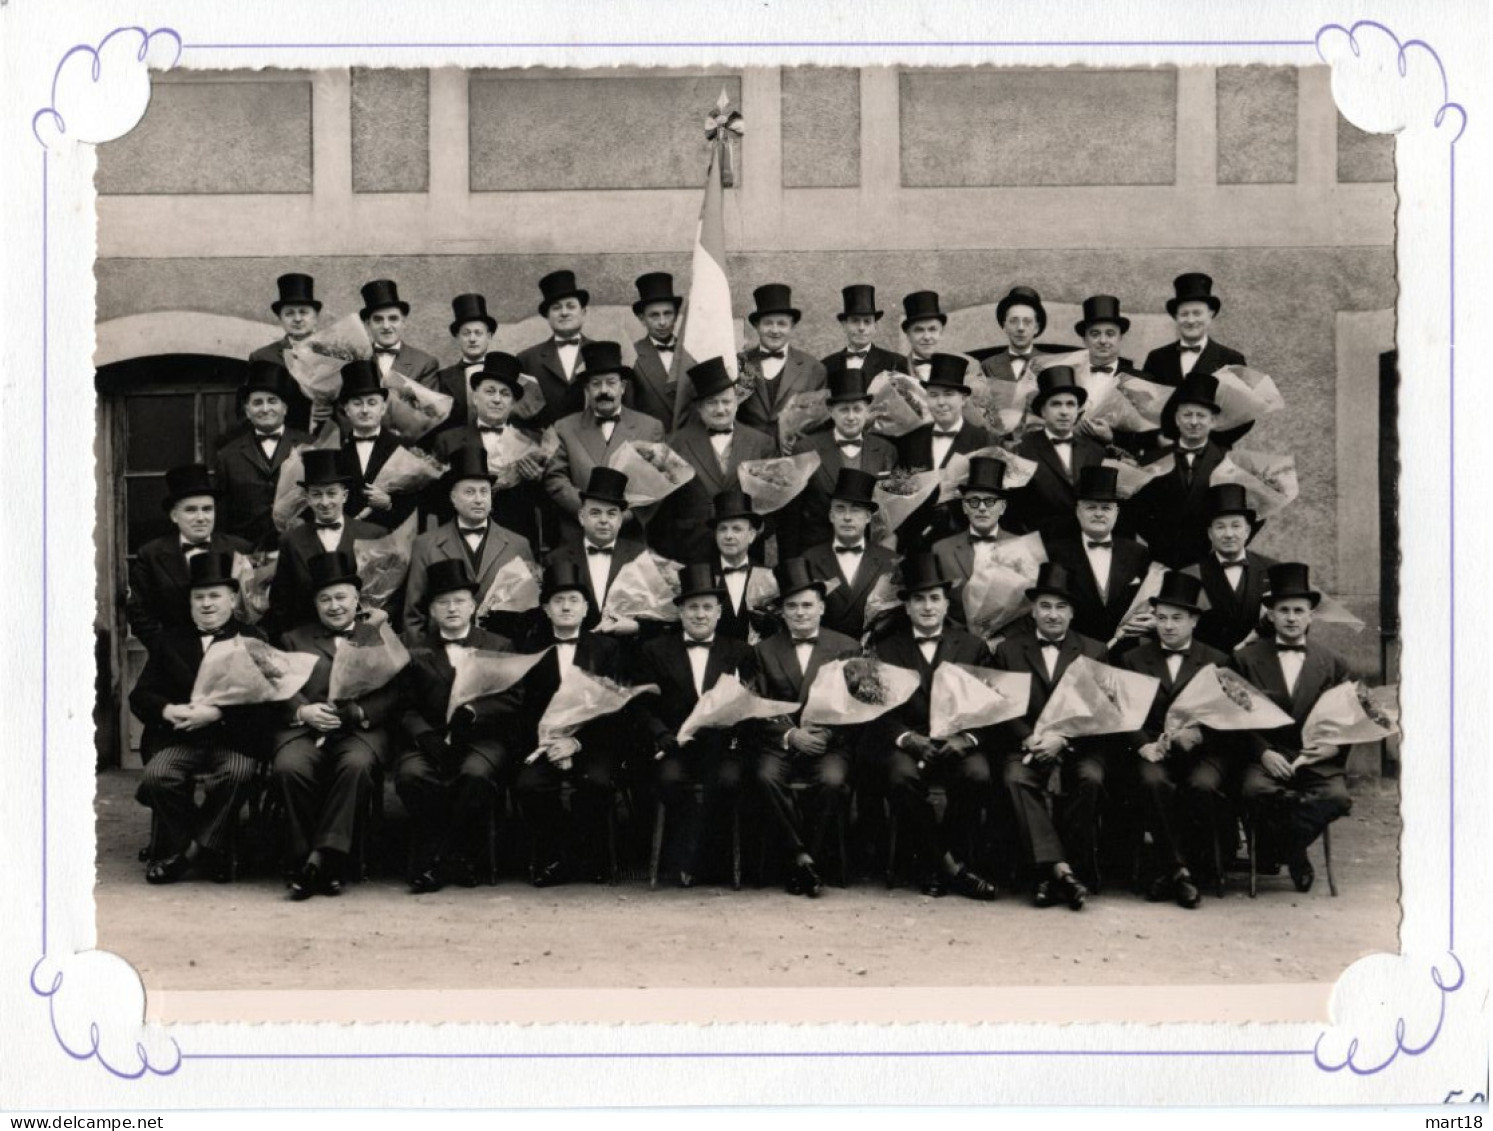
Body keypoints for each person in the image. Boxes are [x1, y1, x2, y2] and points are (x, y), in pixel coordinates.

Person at [130, 552, 277, 883]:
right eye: (199, 597)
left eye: (215, 596)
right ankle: (209, 845)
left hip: (233, 740)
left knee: (239, 774)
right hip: (181, 738)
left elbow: (268, 703)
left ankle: (189, 854)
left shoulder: (253, 639)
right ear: (190, 602)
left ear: (231, 598)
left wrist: (217, 714)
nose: (207, 604)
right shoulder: (171, 639)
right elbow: (141, 695)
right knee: (158, 776)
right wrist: (168, 710)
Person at [862, 553, 1000, 900]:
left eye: (934, 598)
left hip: (956, 741)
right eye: (919, 599)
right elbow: (877, 712)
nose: (927, 607)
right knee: (901, 778)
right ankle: (948, 866)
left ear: (945, 603)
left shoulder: (972, 647)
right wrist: (908, 739)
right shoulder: (888, 648)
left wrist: (966, 739)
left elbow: (990, 707)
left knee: (978, 774)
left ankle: (941, 859)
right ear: (906, 607)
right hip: (907, 744)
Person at [272, 551, 399, 900]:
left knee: (355, 766)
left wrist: (356, 713)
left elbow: (395, 692)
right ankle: (310, 860)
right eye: (325, 599)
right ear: (315, 604)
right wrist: (304, 711)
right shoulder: (292, 639)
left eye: (341, 597)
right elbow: (279, 687)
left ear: (357, 599)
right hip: (305, 729)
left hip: (359, 731)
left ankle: (319, 860)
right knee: (289, 767)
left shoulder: (376, 635)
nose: (334, 606)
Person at [397, 558, 524, 892]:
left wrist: (475, 712)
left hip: (482, 740)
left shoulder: (498, 645)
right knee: (412, 776)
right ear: (431, 610)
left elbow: (513, 698)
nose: (452, 609)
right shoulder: (414, 649)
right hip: (430, 740)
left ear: (473, 606)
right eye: (442, 602)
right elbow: (404, 705)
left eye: (459, 601)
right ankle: (452, 858)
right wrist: (425, 737)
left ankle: (442, 860)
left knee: (474, 775)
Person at [989, 563, 1110, 907]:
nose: (1052, 615)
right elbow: (1002, 705)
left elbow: (1099, 710)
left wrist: (1064, 739)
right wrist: (1028, 738)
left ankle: (1052, 872)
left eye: (1060, 607)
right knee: (1014, 777)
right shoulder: (1009, 650)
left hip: (1078, 746)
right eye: (1045, 606)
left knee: (1090, 778)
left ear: (1072, 612)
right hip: (1026, 745)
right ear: (1033, 610)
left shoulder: (1094, 650)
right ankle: (1059, 872)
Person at [1231, 563, 1356, 892]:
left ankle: (1280, 848)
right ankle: (1296, 852)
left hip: (1315, 756)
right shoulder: (1245, 660)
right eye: (1283, 610)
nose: (1291, 617)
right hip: (1267, 755)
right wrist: (1263, 751)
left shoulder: (1333, 663)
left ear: (1311, 615)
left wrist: (1335, 747)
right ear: (1270, 615)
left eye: (1298, 610)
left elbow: (1348, 719)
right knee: (1253, 791)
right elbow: (1233, 717)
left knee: (1337, 798)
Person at [1115, 570, 1234, 908]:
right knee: (1152, 782)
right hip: (1155, 748)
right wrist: (1143, 744)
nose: (1167, 626)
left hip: (1201, 752)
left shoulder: (1217, 660)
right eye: (1161, 618)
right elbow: (1124, 712)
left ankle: (1180, 869)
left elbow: (1228, 716)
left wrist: (1197, 736)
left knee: (1204, 786)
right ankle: (1180, 870)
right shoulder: (1133, 659)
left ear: (1194, 621)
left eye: (1177, 618)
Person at [636, 563, 759, 887]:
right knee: (669, 780)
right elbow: (642, 706)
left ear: (719, 612)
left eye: (707, 607)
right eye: (693, 607)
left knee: (730, 781)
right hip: (675, 747)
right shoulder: (654, 650)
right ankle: (686, 855)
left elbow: (749, 704)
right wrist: (662, 735)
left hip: (721, 746)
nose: (700, 614)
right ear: (680, 612)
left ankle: (702, 857)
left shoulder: (740, 651)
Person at [512, 562, 628, 887]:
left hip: (592, 744)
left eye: (573, 600)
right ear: (546, 609)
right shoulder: (530, 650)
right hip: (543, 746)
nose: (566, 606)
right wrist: (549, 744)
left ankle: (580, 856)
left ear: (586, 608)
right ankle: (555, 855)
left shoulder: (607, 649)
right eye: (558, 600)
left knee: (597, 783)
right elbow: (521, 708)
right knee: (529, 786)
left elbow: (617, 711)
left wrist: (576, 744)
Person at [751, 557, 861, 897]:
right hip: (782, 742)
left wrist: (829, 734)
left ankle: (805, 857)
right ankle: (801, 857)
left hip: (829, 742)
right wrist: (790, 734)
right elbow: (756, 706)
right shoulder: (764, 651)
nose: (800, 613)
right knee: (765, 777)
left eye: (807, 606)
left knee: (832, 780)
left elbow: (860, 706)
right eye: (792, 606)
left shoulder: (846, 647)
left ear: (822, 607)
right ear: (782, 611)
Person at [403, 446, 537, 640]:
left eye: (484, 492)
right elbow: (413, 616)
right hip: (442, 654)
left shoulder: (518, 545)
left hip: (501, 656)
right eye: (469, 492)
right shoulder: (426, 545)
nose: (478, 500)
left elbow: (529, 611)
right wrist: (425, 661)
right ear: (453, 498)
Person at [653, 356, 775, 565]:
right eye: (711, 403)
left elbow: (773, 503)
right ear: (699, 408)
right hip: (691, 553)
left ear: (736, 402)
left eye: (726, 401)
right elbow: (663, 509)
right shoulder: (676, 444)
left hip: (745, 555)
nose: (720, 409)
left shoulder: (762, 444)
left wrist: (755, 532)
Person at [543, 340, 665, 546]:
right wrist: (587, 513)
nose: (604, 390)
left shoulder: (650, 427)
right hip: (577, 534)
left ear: (623, 387)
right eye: (596, 384)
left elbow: (659, 482)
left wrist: (625, 516)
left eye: (611, 382)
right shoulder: (564, 428)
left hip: (629, 535)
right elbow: (555, 478)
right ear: (587, 389)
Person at [426, 351, 546, 551]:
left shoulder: (531, 442)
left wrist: (536, 481)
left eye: (505, 393)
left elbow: (544, 505)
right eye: (490, 391)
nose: (497, 399)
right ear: (475, 397)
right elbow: (432, 499)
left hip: (515, 538)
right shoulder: (448, 439)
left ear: (513, 403)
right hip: (460, 540)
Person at [126, 464, 251, 651]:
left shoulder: (239, 549)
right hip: (172, 658)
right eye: (191, 510)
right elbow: (140, 613)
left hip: (231, 654)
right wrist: (165, 651)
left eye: (207, 509)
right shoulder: (151, 555)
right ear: (174, 516)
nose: (201, 518)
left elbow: (253, 606)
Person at [778, 367, 897, 559]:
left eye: (857, 409)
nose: (851, 417)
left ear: (867, 410)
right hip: (817, 553)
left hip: (868, 555)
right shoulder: (806, 448)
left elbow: (890, 514)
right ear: (831, 411)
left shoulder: (885, 451)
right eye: (844, 410)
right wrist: (792, 565)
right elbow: (791, 517)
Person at [266, 449, 385, 637]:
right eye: (316, 494)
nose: (324, 502)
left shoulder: (373, 534)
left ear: (344, 496)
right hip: (308, 640)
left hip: (364, 638)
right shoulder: (291, 541)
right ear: (307, 498)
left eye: (331, 493)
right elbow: (281, 602)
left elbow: (386, 595)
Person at [1042, 465, 1154, 648]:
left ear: (1116, 513)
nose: (1099, 514)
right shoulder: (1054, 553)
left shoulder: (1138, 553)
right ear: (1078, 511)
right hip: (1073, 651)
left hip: (1124, 655)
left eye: (1106, 508)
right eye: (1091, 507)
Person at [895, 353, 994, 552]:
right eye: (933, 395)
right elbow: (898, 499)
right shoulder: (909, 441)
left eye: (948, 394)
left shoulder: (984, 440)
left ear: (964, 399)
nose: (940, 402)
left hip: (964, 544)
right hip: (915, 546)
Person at [1145, 273, 1252, 450]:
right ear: (1176, 317)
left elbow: (1245, 416)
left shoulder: (1231, 359)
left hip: (1212, 457)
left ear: (1210, 314)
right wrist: (1156, 438)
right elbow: (1143, 410)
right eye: (1184, 314)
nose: (1191, 320)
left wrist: (1209, 445)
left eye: (1197, 313)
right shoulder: (1157, 358)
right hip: (1164, 453)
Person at [1132, 372, 1229, 569]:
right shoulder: (1151, 460)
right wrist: (1160, 543)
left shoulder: (1228, 463)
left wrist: (1222, 546)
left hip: (1209, 561)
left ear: (1213, 421)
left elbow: (1248, 514)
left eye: (1201, 415)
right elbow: (1136, 511)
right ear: (1177, 419)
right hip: (1160, 559)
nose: (1193, 422)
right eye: (1187, 414)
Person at [213, 362, 314, 549]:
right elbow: (222, 516)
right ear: (247, 411)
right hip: (248, 552)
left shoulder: (309, 445)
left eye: (272, 401)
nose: (265, 408)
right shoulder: (227, 455)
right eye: (257, 403)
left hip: (299, 548)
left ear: (285, 408)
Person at [1003, 366, 1106, 541]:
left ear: (1078, 410)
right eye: (1056, 404)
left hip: (1086, 544)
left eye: (1070, 404)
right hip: (1041, 544)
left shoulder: (1096, 451)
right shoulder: (1022, 449)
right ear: (1043, 411)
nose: (1064, 411)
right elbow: (1012, 509)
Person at [542, 467, 648, 631]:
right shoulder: (556, 559)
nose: (604, 520)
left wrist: (636, 627)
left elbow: (658, 618)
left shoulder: (641, 557)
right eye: (595, 513)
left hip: (628, 651)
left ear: (620, 520)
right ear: (582, 517)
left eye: (611, 514)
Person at [801, 468, 901, 640]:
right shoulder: (809, 559)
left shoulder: (890, 560)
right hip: (824, 652)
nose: (847, 517)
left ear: (868, 517)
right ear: (831, 515)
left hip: (872, 652)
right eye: (840, 509)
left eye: (855, 510)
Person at [1181, 484, 1277, 653]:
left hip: (1258, 667)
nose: (1229, 534)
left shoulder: (1273, 570)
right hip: (1207, 668)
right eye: (1220, 527)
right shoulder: (1191, 574)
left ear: (1247, 531)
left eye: (1236, 526)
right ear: (1210, 533)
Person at [335, 360, 420, 534]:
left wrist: (389, 503)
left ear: (383, 408)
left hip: (391, 539)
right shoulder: (335, 451)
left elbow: (418, 504)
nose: (365, 410)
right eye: (357, 403)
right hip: (346, 542)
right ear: (346, 409)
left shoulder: (405, 449)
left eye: (372, 403)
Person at [736, 283, 827, 437]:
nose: (775, 330)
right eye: (768, 323)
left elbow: (820, 421)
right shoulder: (740, 363)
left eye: (782, 324)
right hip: (749, 453)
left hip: (794, 455)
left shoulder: (813, 368)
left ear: (792, 326)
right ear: (757, 326)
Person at [1072, 294, 1151, 453]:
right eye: (1095, 334)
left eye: (1110, 333)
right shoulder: (1068, 376)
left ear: (1120, 337)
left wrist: (1112, 438)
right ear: (1084, 340)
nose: (1103, 340)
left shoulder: (1139, 381)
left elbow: (1148, 438)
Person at [931, 457, 1017, 598]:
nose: (982, 508)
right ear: (965, 507)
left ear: (1002, 508)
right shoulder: (941, 550)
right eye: (974, 501)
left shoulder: (1022, 547)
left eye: (990, 501)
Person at [517, 269, 595, 425]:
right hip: (544, 445)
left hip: (593, 444)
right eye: (556, 307)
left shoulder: (601, 352)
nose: (564, 312)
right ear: (547, 316)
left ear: (584, 312)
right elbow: (522, 413)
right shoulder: (526, 359)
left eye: (571, 306)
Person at [246, 272, 321, 432]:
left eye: (303, 312)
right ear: (280, 319)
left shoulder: (334, 353)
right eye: (289, 313)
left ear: (315, 317)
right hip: (283, 438)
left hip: (329, 435)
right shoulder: (263, 357)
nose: (297, 319)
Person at [698, 489, 775, 641]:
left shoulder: (768, 576)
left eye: (737, 529)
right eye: (722, 529)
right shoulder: (701, 575)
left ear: (751, 535)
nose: (728, 536)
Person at [628, 272, 692, 430]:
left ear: (676, 316)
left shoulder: (690, 352)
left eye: (668, 314)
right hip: (653, 443)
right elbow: (629, 411)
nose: (662, 322)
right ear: (642, 319)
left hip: (691, 443)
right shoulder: (632, 355)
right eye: (654, 316)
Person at [429, 292, 499, 432]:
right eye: (466, 333)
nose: (472, 339)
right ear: (457, 338)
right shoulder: (442, 378)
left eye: (478, 333)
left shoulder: (503, 373)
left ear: (489, 336)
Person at [975, 285, 1070, 379]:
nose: (1020, 328)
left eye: (1027, 321)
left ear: (1036, 328)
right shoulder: (987, 366)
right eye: (1014, 321)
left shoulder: (1051, 364)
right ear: (1004, 326)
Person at [820, 284, 909, 383]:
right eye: (855, 321)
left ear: (875, 326)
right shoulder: (827, 365)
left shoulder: (895, 363)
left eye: (867, 322)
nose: (861, 328)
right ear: (844, 326)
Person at [358, 279, 440, 386]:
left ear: (403, 322)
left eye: (393, 319)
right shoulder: (357, 360)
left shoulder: (424, 363)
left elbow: (430, 402)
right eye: (378, 320)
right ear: (368, 324)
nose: (386, 326)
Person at [900, 290, 978, 387]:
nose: (927, 337)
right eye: (919, 330)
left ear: (941, 332)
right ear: (908, 334)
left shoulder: (967, 365)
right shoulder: (897, 368)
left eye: (932, 329)